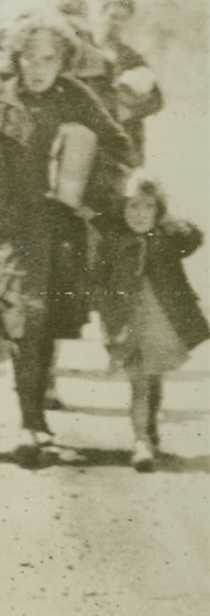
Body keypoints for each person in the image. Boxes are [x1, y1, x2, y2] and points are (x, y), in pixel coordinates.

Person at [0, 13, 136, 466]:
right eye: (29, 57)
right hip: (8, 227)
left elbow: (121, 147)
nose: (37, 67)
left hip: (61, 229)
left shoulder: (75, 97)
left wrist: (83, 167)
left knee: (49, 319)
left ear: (63, 62)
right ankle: (30, 422)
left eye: (48, 58)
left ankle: (35, 417)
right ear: (16, 58)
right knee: (25, 317)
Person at [91, 173, 209, 471]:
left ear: (158, 211)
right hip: (127, 319)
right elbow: (97, 279)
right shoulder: (114, 240)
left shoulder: (166, 238)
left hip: (160, 319)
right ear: (122, 208)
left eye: (147, 207)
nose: (139, 214)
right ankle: (141, 440)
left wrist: (167, 219)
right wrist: (108, 312)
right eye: (132, 207)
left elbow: (193, 237)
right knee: (139, 381)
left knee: (153, 378)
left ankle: (149, 430)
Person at [97, 0, 164, 163]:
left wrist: (128, 111)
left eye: (122, 19)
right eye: (112, 16)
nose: (116, 23)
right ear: (101, 15)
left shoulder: (132, 57)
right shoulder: (85, 51)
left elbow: (157, 100)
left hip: (124, 137)